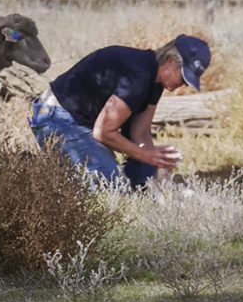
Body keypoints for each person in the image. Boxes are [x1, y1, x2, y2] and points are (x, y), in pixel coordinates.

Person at [30, 34, 211, 189]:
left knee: (143, 182)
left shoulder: (155, 81)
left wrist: (158, 162)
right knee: (110, 188)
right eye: (184, 76)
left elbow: (139, 133)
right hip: (56, 118)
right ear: (170, 62)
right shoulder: (138, 76)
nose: (184, 84)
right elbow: (103, 132)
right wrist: (146, 155)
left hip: (80, 122)